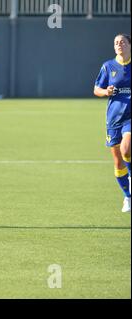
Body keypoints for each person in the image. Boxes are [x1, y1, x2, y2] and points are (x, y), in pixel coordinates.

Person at [94, 33, 131, 213]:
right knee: (118, 162)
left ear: (129, 45)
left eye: (123, 42)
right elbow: (96, 89)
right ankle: (128, 197)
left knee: (127, 148)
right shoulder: (108, 66)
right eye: (116, 42)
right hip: (114, 119)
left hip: (130, 118)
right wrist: (106, 91)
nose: (119, 45)